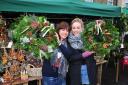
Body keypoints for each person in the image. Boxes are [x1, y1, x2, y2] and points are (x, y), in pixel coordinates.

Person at [58, 18, 96, 85]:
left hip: (88, 69)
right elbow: (70, 58)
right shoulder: (67, 41)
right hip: (75, 71)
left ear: (82, 28)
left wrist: (99, 23)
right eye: (74, 28)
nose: (76, 30)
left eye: (78, 28)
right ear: (71, 29)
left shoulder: (88, 38)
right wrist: (83, 55)